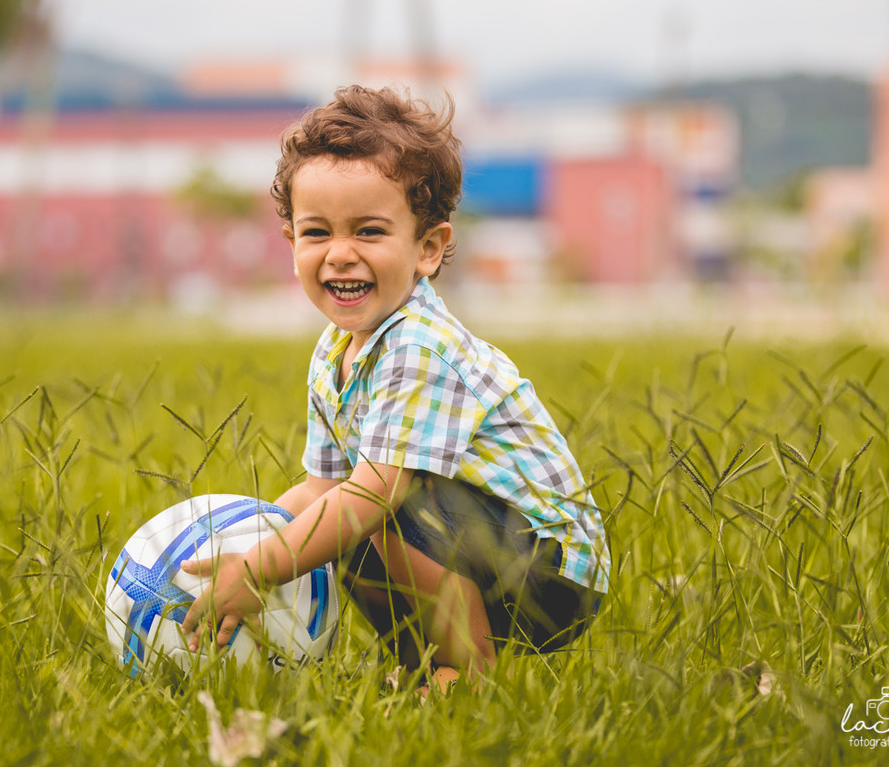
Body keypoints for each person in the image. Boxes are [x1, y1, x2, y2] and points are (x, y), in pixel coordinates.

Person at [181, 85, 610, 693]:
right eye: (316, 232)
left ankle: (467, 672)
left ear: (427, 249)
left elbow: (374, 495)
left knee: (378, 504)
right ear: (292, 242)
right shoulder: (334, 352)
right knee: (336, 521)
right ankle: (419, 665)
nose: (340, 255)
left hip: (551, 572)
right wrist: (248, 538)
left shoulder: (419, 346)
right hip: (469, 540)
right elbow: (321, 492)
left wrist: (259, 569)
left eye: (369, 231)